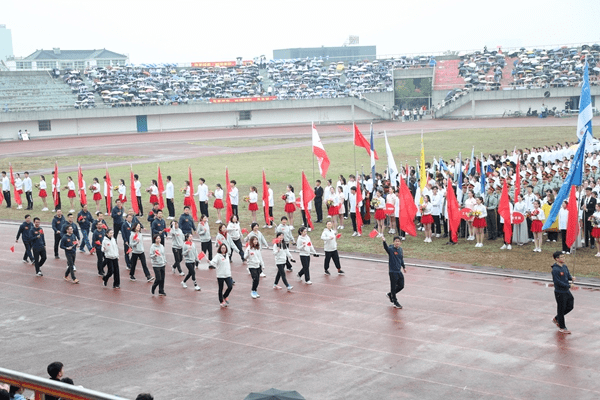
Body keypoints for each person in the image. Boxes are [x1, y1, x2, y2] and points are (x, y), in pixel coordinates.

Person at [551, 251, 574, 334]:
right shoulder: (555, 270)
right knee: (561, 308)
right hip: (559, 292)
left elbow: (567, 276)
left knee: (570, 305)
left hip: (566, 291)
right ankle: (562, 327)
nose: (563, 258)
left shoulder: (564, 267)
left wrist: (571, 278)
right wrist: (568, 286)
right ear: (557, 259)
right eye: (561, 257)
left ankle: (557, 318)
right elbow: (557, 282)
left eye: (564, 257)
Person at [382, 236, 406, 309]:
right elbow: (386, 248)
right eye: (396, 241)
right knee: (393, 286)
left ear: (400, 243)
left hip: (399, 271)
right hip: (393, 271)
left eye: (398, 241)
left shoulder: (400, 250)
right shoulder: (391, 249)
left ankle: (390, 294)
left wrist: (404, 267)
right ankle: (395, 302)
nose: (397, 242)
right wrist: (384, 241)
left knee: (401, 285)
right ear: (393, 242)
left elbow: (401, 259)